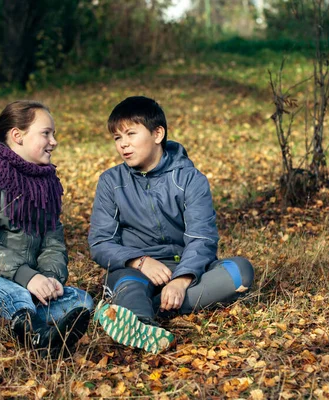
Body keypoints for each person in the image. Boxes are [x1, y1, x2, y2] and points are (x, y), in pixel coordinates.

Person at [89, 96, 254, 354]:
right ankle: (142, 323)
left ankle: (133, 312)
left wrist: (182, 278)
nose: (123, 145)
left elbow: (202, 238)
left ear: (157, 134)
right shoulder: (111, 181)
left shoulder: (190, 179)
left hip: (185, 268)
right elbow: (100, 243)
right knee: (127, 284)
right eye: (117, 138)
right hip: (134, 271)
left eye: (131, 134)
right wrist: (139, 261)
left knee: (240, 272)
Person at [0, 100, 93, 358]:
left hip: (31, 280)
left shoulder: (44, 183)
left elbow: (53, 241)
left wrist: (49, 278)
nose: (54, 141)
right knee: (15, 295)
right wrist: (27, 277)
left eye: (54, 134)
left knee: (82, 301)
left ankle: (8, 315)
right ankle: (38, 337)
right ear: (17, 136)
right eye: (46, 133)